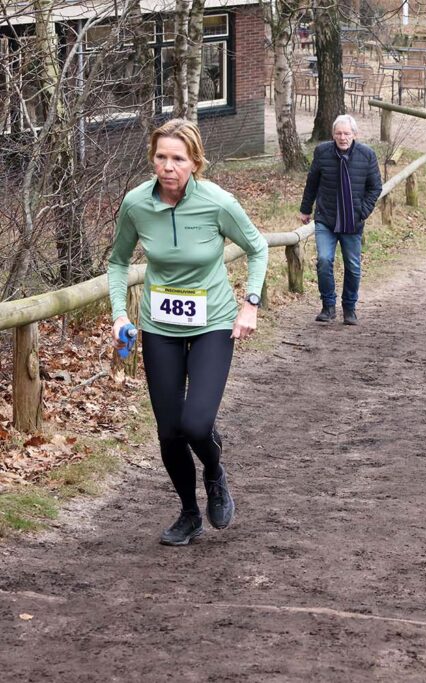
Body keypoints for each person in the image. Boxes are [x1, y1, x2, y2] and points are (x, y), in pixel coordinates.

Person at [108, 118, 268, 546]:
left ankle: (215, 476)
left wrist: (250, 303)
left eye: (178, 158)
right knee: (168, 431)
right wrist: (119, 315)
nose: (168, 166)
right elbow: (118, 261)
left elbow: (257, 247)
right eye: (160, 157)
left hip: (212, 323)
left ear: (195, 162)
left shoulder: (218, 203)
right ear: (152, 159)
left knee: (196, 423)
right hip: (160, 325)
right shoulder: (137, 204)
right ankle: (189, 513)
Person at [299, 114, 383, 325]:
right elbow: (312, 181)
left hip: (352, 222)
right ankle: (328, 306)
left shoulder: (367, 155)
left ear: (355, 134)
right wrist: (305, 209)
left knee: (353, 265)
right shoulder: (322, 152)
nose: (342, 137)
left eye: (346, 133)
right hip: (326, 218)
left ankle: (349, 308)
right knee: (325, 260)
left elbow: (375, 187)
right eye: (338, 133)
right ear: (333, 134)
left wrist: (362, 212)